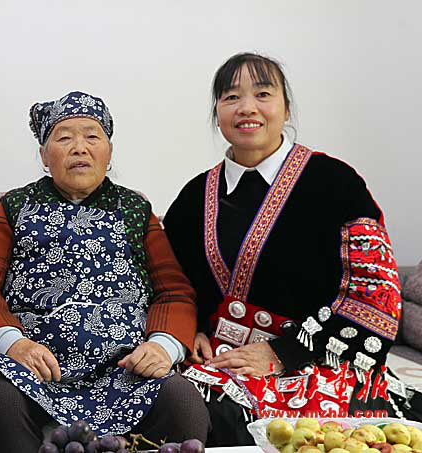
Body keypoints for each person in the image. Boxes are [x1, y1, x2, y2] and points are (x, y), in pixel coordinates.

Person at [163, 53, 409, 446]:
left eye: (262, 94)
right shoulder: (194, 197)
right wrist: (188, 329)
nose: (247, 108)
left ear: (286, 108)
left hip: (317, 360)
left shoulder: (336, 183)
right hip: (217, 362)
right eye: (231, 97)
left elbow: (375, 296)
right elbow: (170, 284)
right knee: (166, 402)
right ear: (217, 112)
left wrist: (283, 353)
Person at [0, 91, 209, 452]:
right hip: (35, 369)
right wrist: (14, 344)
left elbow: (174, 291)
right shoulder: (15, 207)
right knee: (2, 402)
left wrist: (162, 345)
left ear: (109, 152)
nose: (80, 148)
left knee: (182, 401)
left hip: (126, 369)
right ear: (44, 156)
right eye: (64, 138)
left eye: (92, 136)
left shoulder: (135, 209)